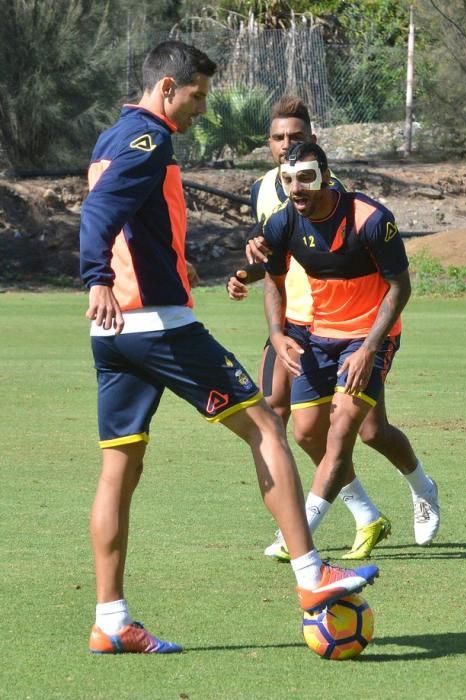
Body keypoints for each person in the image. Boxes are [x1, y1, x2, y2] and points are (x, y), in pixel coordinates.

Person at [79, 41, 379, 655]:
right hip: (158, 325)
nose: (201, 109)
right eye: (197, 96)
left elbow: (121, 212)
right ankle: (310, 575)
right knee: (266, 426)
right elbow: (101, 211)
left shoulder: (109, 138)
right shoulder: (150, 138)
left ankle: (111, 621)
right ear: (168, 88)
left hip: (113, 337)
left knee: (120, 467)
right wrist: (97, 276)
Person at [228, 97, 440, 561]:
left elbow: (399, 287)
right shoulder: (283, 220)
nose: (297, 188)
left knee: (346, 427)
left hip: (368, 335)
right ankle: (381, 507)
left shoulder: (370, 219)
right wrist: (278, 332)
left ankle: (300, 533)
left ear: (323, 174)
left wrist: (369, 347)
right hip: (317, 333)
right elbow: (275, 282)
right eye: (288, 180)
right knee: (310, 433)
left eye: (306, 177)